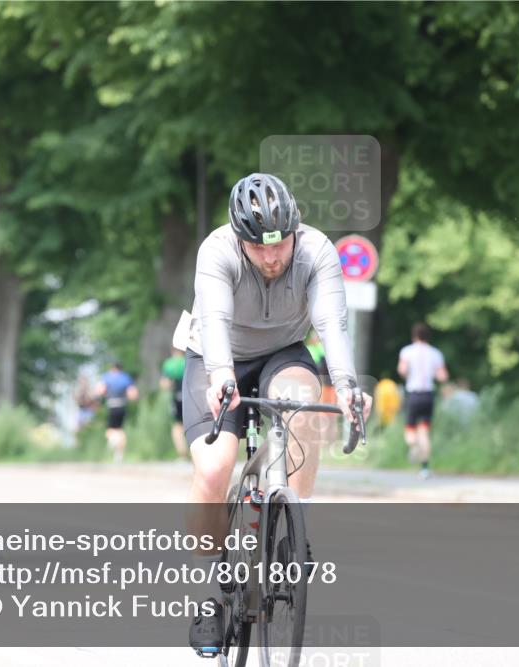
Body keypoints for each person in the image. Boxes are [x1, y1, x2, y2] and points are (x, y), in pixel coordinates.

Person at [181, 173, 371, 655]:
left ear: (294, 229)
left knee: (305, 409)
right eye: (258, 247)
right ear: (239, 239)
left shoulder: (317, 251)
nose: (271, 257)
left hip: (283, 352)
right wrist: (221, 376)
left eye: (280, 244)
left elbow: (331, 323)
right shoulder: (216, 251)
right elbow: (215, 321)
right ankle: (209, 596)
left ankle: (291, 527)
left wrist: (348, 386)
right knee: (214, 469)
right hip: (216, 357)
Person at [398, 323, 448, 479]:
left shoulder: (407, 351)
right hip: (428, 395)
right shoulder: (435, 353)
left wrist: (408, 375)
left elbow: (402, 370)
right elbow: (442, 376)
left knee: (410, 431)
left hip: (414, 395)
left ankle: (414, 447)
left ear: (414, 336)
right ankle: (425, 468)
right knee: (424, 432)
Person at [95, 361, 139, 463]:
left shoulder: (107, 377)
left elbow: (100, 391)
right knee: (120, 430)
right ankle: (119, 454)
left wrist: (100, 398)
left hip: (112, 405)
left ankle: (113, 441)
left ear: (112, 368)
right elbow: (133, 394)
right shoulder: (125, 378)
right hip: (122, 405)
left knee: (110, 430)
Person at [160, 348, 189, 459]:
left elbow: (164, 384)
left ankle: (182, 453)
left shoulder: (169, 364)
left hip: (176, 397)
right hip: (190, 397)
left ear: (173, 351)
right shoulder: (189, 361)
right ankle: (195, 452)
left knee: (177, 426)